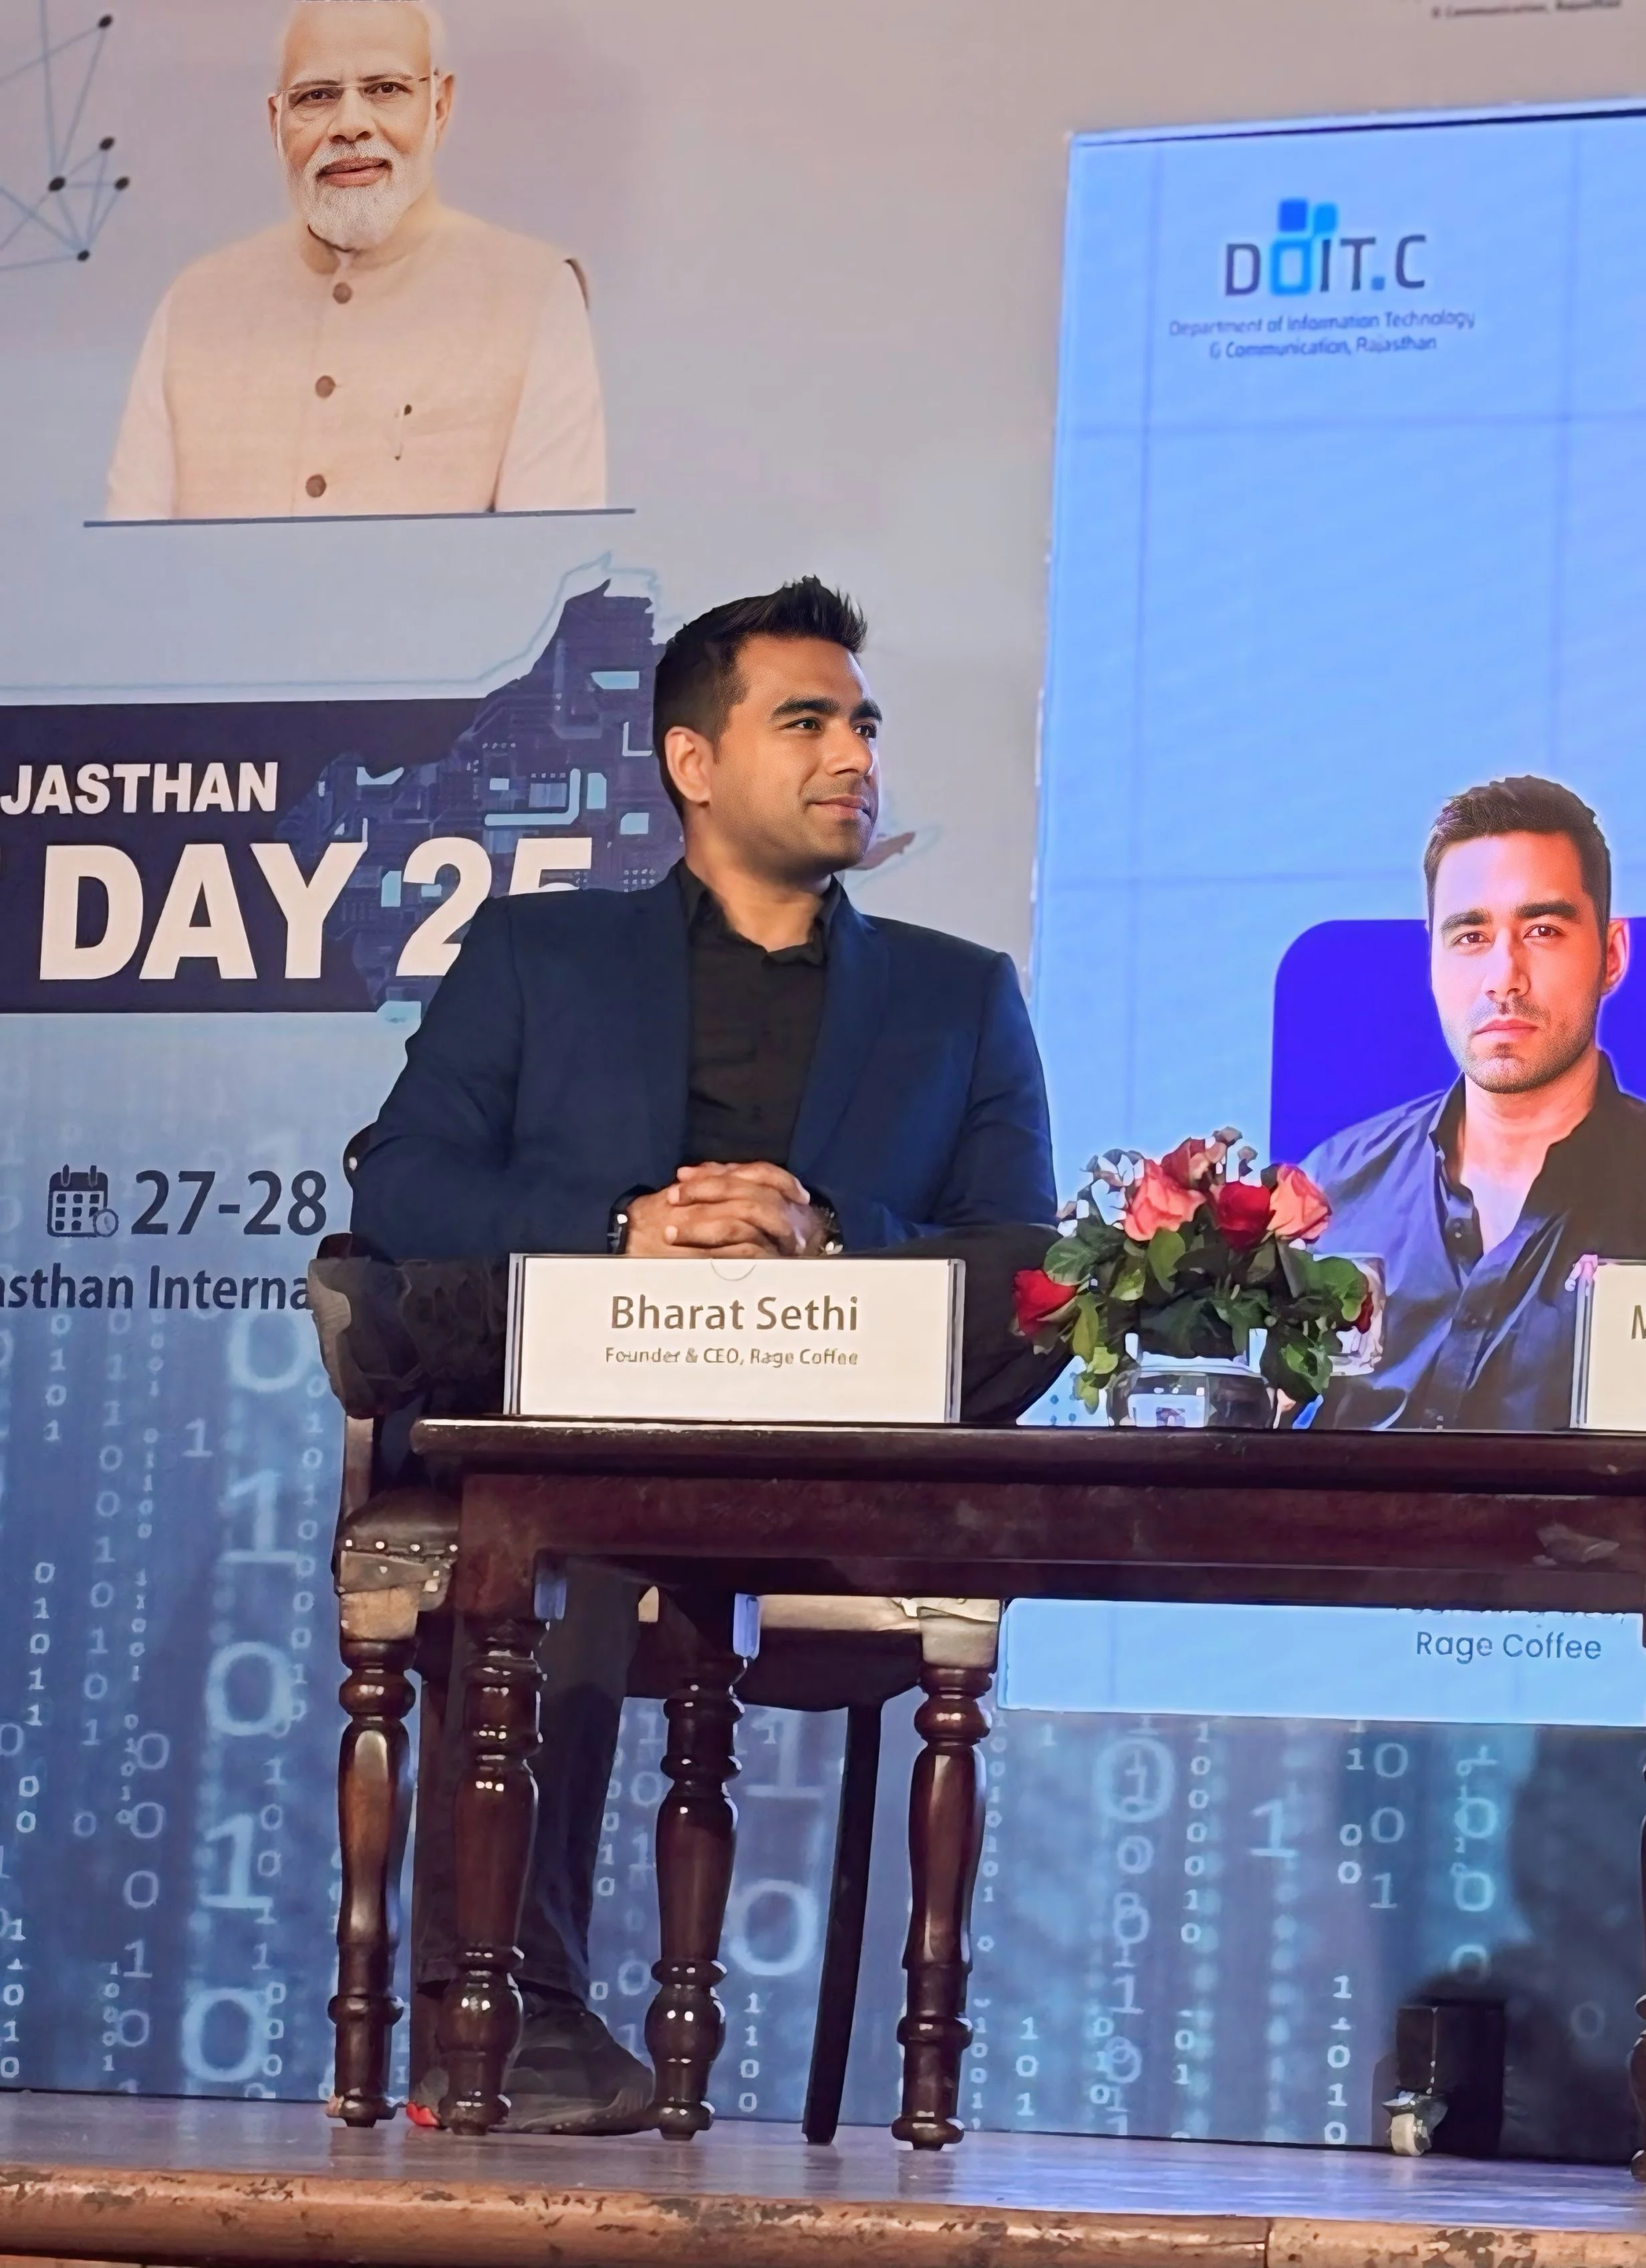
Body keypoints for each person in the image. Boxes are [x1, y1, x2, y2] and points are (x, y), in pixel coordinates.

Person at [350, 577, 1061, 2130]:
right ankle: (513, 2003)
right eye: (805, 719)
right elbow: (403, 1185)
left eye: (862, 722)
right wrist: (624, 1227)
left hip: (827, 1449)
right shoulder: (543, 956)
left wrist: (833, 1234)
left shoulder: (958, 1000)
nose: (852, 753)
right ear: (691, 761)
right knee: (568, 1515)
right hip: (584, 1435)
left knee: (589, 1511)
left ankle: (510, 2002)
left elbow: (1029, 1277)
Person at [106, 0, 605, 521]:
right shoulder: (195, 304)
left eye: (385, 89)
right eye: (316, 96)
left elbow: (547, 568)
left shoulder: (534, 295)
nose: (349, 125)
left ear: (438, 106)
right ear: (278, 123)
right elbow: (126, 562)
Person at [1306, 775, 1646, 1430]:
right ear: (1432, 960)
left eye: (1542, 930)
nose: (1503, 977)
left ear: (1611, 955)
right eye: (1470, 937)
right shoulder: (1334, 1191)